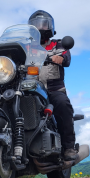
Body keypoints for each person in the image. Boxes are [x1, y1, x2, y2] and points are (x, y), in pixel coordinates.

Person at [28, 10, 77, 161]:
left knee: (63, 105)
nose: (40, 28)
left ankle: (68, 147)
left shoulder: (59, 44)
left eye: (43, 24)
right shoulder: (27, 47)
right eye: (36, 25)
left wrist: (59, 58)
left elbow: (66, 57)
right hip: (32, 89)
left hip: (54, 89)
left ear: (50, 27)